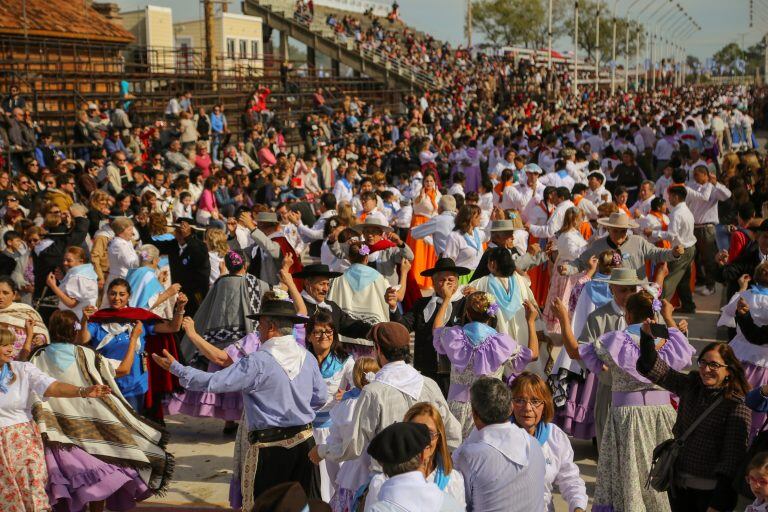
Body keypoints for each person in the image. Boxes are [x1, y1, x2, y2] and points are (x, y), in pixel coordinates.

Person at [153, 296, 326, 511]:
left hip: (269, 449)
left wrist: (177, 368)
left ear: (271, 327)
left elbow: (215, 382)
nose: (259, 330)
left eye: (260, 325)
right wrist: (297, 409)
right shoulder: (307, 357)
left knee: (265, 506)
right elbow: (320, 398)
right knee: (303, 505)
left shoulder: (258, 361)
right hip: (304, 444)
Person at [553, 292, 695, 511]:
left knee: (629, 476)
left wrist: (563, 317)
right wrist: (668, 317)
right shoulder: (671, 340)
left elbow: (574, 351)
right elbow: (682, 349)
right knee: (663, 469)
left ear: (628, 316)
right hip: (663, 414)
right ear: (653, 313)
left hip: (628, 417)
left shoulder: (616, 341)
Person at [30, 310, 174, 512]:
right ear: (74, 332)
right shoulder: (88, 355)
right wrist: (133, 340)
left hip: (55, 431)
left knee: (65, 483)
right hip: (93, 427)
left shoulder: (37, 356)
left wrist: (29, 337)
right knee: (101, 478)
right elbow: (124, 369)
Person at [310, 322, 461, 472]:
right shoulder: (429, 384)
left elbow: (353, 446)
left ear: (378, 349)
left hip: (388, 480)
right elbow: (453, 434)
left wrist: (322, 451)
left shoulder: (373, 392)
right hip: (427, 476)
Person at [0, 325, 114, 511]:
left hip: (23, 440)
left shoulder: (24, 369)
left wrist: (83, 391)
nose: (11, 349)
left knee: (34, 490)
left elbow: (52, 387)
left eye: (11, 344)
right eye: (4, 345)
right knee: (7, 498)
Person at [637, 334, 751, 511]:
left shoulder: (736, 406)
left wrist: (718, 503)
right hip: (678, 484)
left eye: (714, 365)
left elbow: (732, 459)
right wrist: (647, 337)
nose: (706, 369)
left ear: (729, 370)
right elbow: (655, 369)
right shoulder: (691, 385)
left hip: (709, 493)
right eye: (703, 363)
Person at [433, 290, 538, 438]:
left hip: (455, 407)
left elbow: (436, 329)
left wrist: (446, 299)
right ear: (491, 315)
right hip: (488, 410)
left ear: (467, 314)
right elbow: (533, 354)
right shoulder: (501, 343)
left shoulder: (454, 336)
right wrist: (531, 321)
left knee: (454, 453)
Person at [80, 278, 186, 416]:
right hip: (106, 382)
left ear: (129, 296)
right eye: (113, 293)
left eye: (121, 294)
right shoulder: (98, 319)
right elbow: (83, 339)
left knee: (133, 426)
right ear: (107, 294)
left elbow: (173, 327)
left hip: (134, 384)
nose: (116, 298)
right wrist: (83, 320)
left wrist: (180, 308)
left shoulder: (138, 317)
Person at [453, 376, 547, 511]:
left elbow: (458, 502)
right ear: (510, 409)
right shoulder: (534, 444)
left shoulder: (469, 456)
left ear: (474, 414)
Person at [387, 257, 470, 394]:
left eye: (450, 280)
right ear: (433, 282)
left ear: (457, 282)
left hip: (455, 373)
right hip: (426, 370)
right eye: (442, 280)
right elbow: (402, 327)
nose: (446, 284)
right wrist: (393, 307)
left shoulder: (465, 304)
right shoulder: (422, 304)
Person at [365, 402, 466, 510]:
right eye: (414, 434)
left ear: (439, 438)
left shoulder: (454, 480)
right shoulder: (380, 482)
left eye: (430, 434)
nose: (424, 441)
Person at [510, 372, 588, 512]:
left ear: (545, 405)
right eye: (520, 400)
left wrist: (578, 507)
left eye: (534, 401)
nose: (527, 408)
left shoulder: (555, 436)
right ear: (511, 403)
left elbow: (570, 479)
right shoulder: (498, 435)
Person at [305, 310, 354, 501]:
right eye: (317, 332)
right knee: (310, 480)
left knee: (334, 480)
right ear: (309, 336)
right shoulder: (301, 359)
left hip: (331, 431)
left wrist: (348, 395)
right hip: (305, 431)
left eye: (328, 331)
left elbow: (362, 387)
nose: (323, 336)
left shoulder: (345, 361)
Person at [326, 239, 391, 355]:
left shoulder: (338, 279)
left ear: (349, 258)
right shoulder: (379, 278)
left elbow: (331, 303)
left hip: (346, 336)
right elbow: (388, 301)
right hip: (371, 333)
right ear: (366, 258)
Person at [138, 216, 211, 316]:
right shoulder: (173, 245)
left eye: (182, 231)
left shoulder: (200, 246)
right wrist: (143, 226)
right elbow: (150, 244)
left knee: (195, 320)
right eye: (177, 231)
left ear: (191, 232)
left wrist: (187, 237)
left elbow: (198, 257)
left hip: (196, 293)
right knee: (179, 321)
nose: (179, 234)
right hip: (179, 293)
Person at [543, 207, 587, 335]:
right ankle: (562, 329)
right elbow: (573, 253)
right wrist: (588, 247)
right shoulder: (567, 235)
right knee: (565, 298)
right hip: (568, 271)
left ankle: (566, 327)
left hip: (570, 269)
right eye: (580, 219)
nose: (582, 221)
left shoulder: (571, 233)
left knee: (566, 298)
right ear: (574, 220)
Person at [406, 173, 441, 290]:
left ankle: (428, 281)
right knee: (418, 253)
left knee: (429, 252)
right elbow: (415, 205)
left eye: (431, 181)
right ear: (423, 182)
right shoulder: (419, 192)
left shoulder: (437, 194)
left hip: (431, 224)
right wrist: (421, 196)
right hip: (419, 223)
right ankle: (416, 279)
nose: (429, 183)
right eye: (427, 181)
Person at [0, 276, 49, 360]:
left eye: (5, 293)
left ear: (14, 295)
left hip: (26, 363)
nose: (0, 296)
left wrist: (40, 338)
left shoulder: (26, 311)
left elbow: (40, 331)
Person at [45, 245, 98, 320]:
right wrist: (62, 279)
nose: (65, 263)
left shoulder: (78, 277)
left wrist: (53, 286)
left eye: (69, 260)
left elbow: (71, 303)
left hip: (76, 318)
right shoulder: (85, 273)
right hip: (83, 317)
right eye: (64, 260)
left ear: (81, 261)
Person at [443, 204, 489, 284]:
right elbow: (448, 260)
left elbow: (488, 235)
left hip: (478, 276)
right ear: (469, 218)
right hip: (462, 277)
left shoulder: (476, 233)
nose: (480, 218)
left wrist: (493, 219)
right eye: (477, 216)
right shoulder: (455, 236)